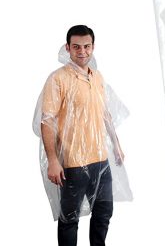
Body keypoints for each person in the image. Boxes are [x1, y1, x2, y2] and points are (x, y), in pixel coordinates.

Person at [40, 25, 124, 246]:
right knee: (69, 219)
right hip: (73, 164)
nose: (82, 51)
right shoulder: (58, 79)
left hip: (101, 160)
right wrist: (52, 160)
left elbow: (104, 113)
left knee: (104, 212)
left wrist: (116, 144)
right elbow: (47, 121)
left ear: (93, 47)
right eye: (76, 46)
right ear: (67, 48)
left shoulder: (97, 77)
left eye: (87, 46)